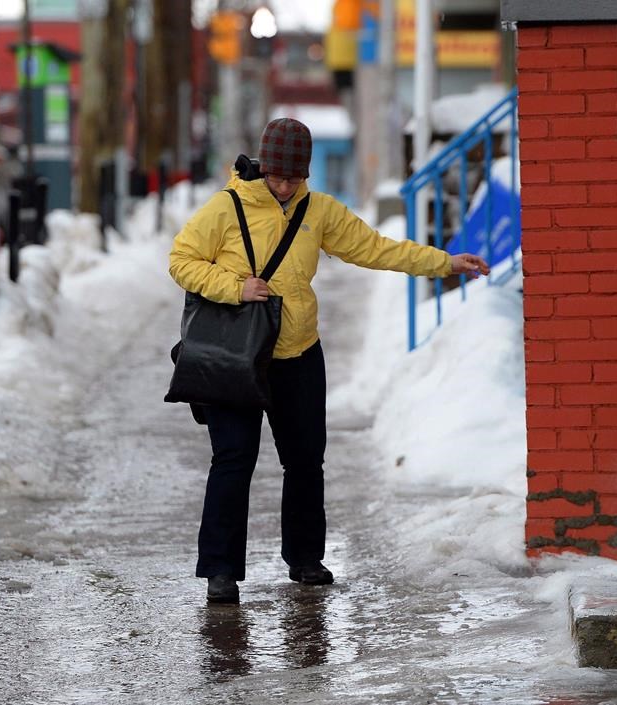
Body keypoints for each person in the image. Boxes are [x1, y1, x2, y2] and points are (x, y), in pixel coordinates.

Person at [168, 118, 490, 604]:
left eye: (294, 179)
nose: (284, 187)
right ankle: (220, 569)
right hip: (235, 356)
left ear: (305, 174)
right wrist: (235, 287)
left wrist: (443, 262)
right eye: (277, 177)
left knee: (305, 461)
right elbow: (181, 261)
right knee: (233, 459)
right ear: (263, 167)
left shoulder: (317, 211)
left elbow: (374, 248)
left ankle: (304, 558)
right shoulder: (226, 208)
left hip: (297, 352)